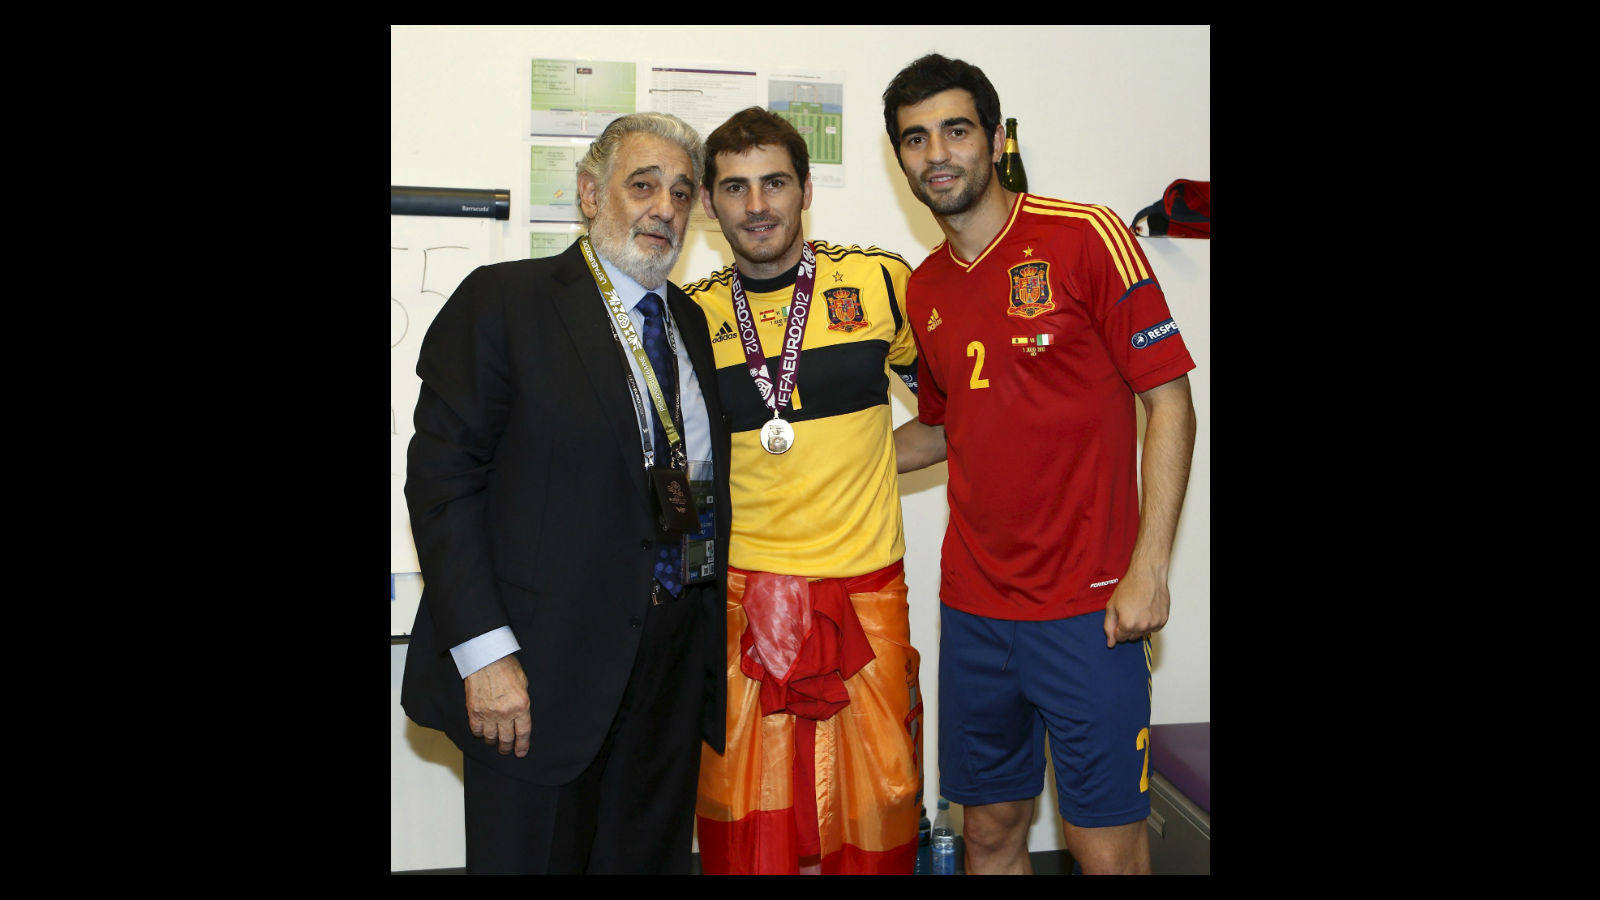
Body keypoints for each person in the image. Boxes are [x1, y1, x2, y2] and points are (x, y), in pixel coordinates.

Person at [884, 54, 1198, 876]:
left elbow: (1170, 403)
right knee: (988, 834)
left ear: (994, 140)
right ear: (901, 157)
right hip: (975, 612)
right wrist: (827, 461)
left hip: (1091, 609)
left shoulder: (1085, 235)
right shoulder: (925, 289)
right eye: (915, 139)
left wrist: (1150, 569)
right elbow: (943, 428)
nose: (937, 153)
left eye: (956, 130)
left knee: (1105, 849)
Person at [400, 111, 731, 874]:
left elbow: (692, 485)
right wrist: (484, 656)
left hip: (668, 677)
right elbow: (442, 487)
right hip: (538, 678)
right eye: (643, 185)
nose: (665, 208)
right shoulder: (504, 302)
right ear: (588, 194)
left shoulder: (688, 322)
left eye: (682, 192)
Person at [683, 106, 924, 875]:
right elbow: (677, 470)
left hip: (866, 596)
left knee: (877, 815)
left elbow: (958, 416)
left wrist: (863, 462)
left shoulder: (880, 283)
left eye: (775, 183)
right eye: (735, 187)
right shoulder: (690, 314)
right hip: (740, 605)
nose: (757, 205)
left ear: (807, 190)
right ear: (710, 202)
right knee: (746, 828)